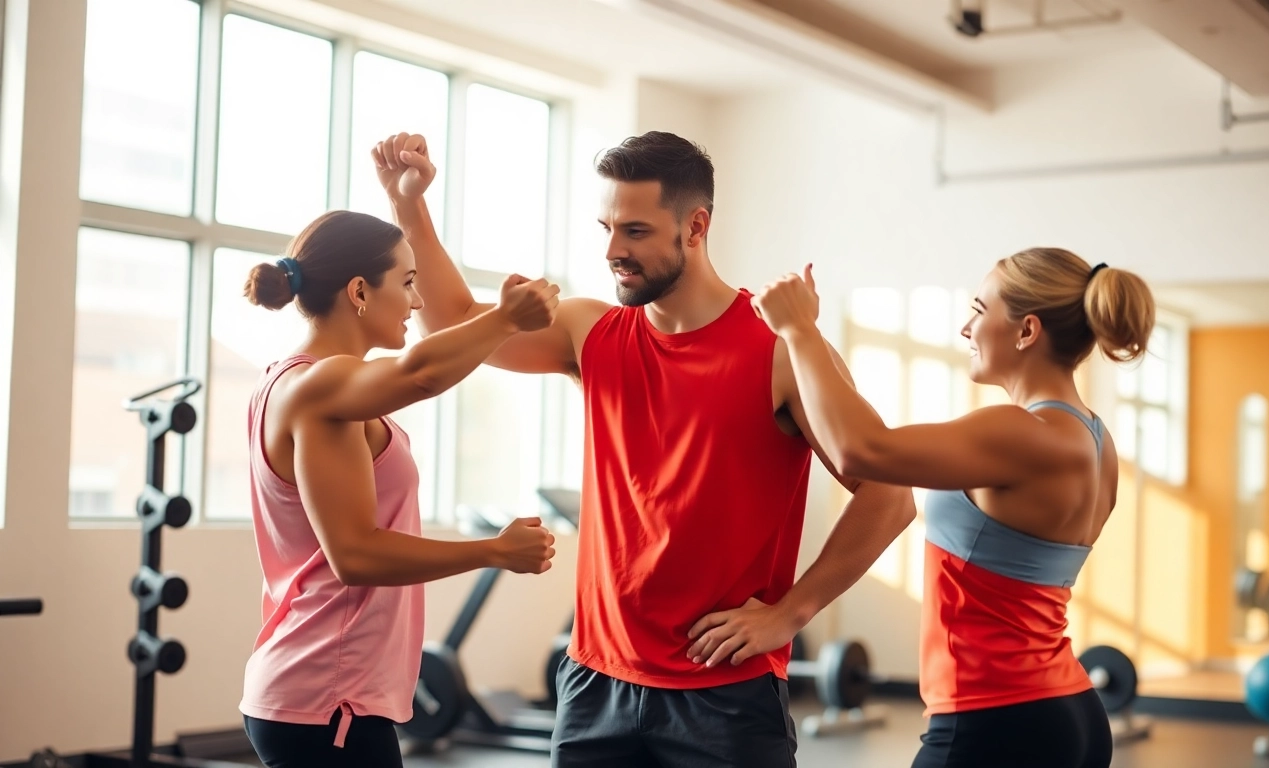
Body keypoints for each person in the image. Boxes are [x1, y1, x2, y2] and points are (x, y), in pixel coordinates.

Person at [369, 130, 917, 767]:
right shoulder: (590, 331)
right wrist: (408, 205)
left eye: (633, 231)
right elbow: (455, 324)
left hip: (725, 694)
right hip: (595, 684)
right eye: (605, 228)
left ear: (696, 226)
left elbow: (891, 495)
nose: (611, 250)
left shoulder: (778, 351)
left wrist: (790, 613)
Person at [750, 250, 1156, 768]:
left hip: (995, 724)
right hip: (1068, 711)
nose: (967, 328)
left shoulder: (1022, 431)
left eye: (979, 309)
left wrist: (799, 330)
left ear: (1027, 331)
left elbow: (862, 451)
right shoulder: (1096, 441)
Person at [237, 208, 561, 768]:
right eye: (407, 283)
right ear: (359, 291)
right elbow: (357, 554)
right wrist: (493, 551)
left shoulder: (301, 381)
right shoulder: (320, 385)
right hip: (327, 698)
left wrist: (407, 199)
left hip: (319, 693)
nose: (416, 301)